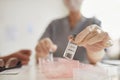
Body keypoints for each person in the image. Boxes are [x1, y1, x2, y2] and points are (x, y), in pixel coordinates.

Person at [35, 0, 110, 64]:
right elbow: (39, 58)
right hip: (57, 74)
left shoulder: (94, 23)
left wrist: (95, 50)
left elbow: (97, 60)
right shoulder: (54, 24)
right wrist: (42, 53)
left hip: (84, 75)